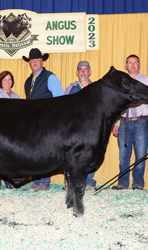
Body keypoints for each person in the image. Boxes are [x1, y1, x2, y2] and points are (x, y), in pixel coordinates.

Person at [112, 54, 148, 190]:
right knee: (123, 156)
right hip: (124, 122)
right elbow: (116, 104)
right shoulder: (121, 81)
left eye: (135, 62)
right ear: (126, 65)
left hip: (141, 122)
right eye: (130, 63)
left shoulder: (146, 80)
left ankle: (138, 184)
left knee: (140, 155)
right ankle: (122, 183)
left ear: (139, 65)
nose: (133, 65)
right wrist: (115, 123)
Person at [22, 48, 64, 192]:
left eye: (37, 60)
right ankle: (35, 181)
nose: (35, 62)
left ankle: (45, 183)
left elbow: (60, 100)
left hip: (48, 122)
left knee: (45, 152)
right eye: (32, 60)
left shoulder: (50, 77)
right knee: (34, 152)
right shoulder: (28, 82)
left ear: (42, 61)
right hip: (33, 123)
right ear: (29, 63)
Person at [64, 61, 97, 191]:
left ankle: (88, 182)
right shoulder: (70, 88)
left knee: (91, 154)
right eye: (80, 69)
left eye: (86, 69)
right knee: (72, 155)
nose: (83, 72)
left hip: (91, 127)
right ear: (77, 72)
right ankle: (71, 182)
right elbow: (64, 107)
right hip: (74, 127)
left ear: (90, 72)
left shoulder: (96, 88)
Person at [0, 71, 20, 190]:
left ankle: (9, 182)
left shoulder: (16, 96)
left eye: (9, 79)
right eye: (5, 80)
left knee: (10, 157)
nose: (7, 82)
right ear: (0, 82)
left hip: (13, 132)